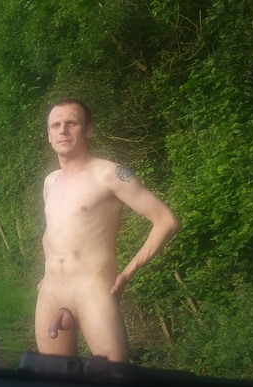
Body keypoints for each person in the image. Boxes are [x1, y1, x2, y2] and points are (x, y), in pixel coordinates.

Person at [35, 99, 180, 362]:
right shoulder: (50, 181)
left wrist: (127, 273)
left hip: (92, 290)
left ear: (88, 130)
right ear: (48, 135)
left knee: (113, 379)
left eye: (71, 123)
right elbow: (51, 231)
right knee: (53, 379)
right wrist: (47, 272)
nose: (62, 130)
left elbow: (166, 221)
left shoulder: (109, 174)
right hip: (51, 292)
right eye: (55, 125)